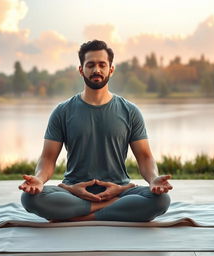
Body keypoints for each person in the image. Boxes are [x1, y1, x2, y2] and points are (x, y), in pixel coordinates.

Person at [19, 40, 173, 222]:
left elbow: (145, 157)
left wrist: (153, 179)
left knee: (161, 200)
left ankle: (79, 216)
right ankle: (105, 209)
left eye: (102, 65)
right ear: (81, 70)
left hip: (119, 189)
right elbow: (48, 158)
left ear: (111, 69)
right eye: (90, 65)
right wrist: (39, 179)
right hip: (74, 191)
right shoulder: (62, 111)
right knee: (29, 198)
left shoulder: (130, 111)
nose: (96, 70)